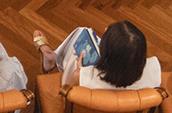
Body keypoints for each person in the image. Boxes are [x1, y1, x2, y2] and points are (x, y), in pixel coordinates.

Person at [32, 22, 161, 90]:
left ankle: (52, 58)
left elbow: (65, 95)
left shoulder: (82, 76)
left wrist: (79, 70)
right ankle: (53, 58)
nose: (105, 29)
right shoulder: (154, 71)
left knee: (82, 32)